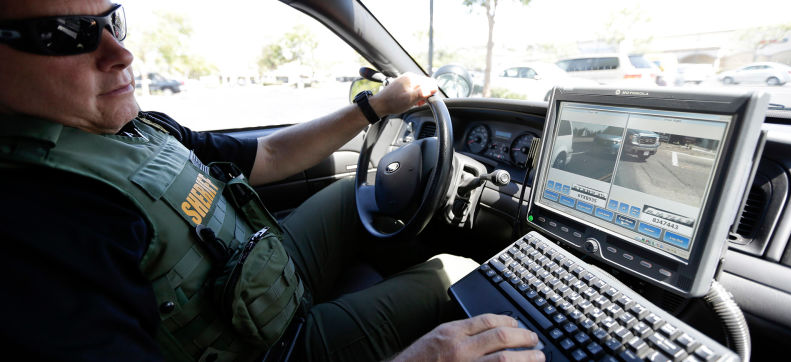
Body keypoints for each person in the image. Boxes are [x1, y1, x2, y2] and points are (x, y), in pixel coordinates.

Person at [0, 1, 544, 361]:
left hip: (262, 270)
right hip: (272, 347)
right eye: (66, 34)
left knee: (350, 193)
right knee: (462, 270)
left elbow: (270, 153)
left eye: (113, 21)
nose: (121, 54)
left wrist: (378, 105)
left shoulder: (135, 129)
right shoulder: (38, 225)